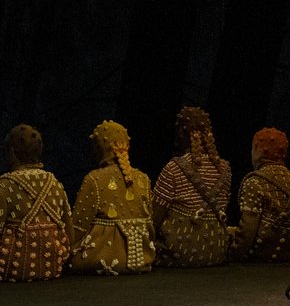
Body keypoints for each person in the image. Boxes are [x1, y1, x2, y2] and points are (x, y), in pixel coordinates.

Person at [68, 120, 156, 275]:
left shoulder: (94, 179)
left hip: (101, 259)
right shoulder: (143, 179)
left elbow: (77, 228)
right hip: (143, 258)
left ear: (99, 148)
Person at [152, 105, 232, 267]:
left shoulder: (173, 168)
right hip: (216, 252)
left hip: (178, 252)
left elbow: (154, 218)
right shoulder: (225, 169)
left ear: (180, 134)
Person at [230, 127, 290, 262]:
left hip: (263, 255)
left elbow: (247, 231)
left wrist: (233, 254)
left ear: (257, 152)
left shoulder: (254, 182)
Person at [0, 123, 72, 282]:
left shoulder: (5, 185)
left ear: (12, 153)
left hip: (13, 268)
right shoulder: (55, 183)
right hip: (52, 267)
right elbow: (69, 230)